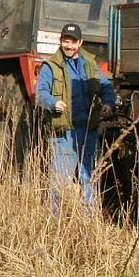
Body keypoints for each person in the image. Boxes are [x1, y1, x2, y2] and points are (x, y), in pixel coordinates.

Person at [36, 23, 115, 212]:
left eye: (72, 41)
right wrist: (53, 103)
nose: (68, 45)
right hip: (65, 133)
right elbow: (40, 93)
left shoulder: (90, 64)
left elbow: (106, 86)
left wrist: (108, 103)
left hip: (88, 130)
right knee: (60, 179)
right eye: (65, 40)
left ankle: (88, 219)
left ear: (80, 43)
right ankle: (55, 221)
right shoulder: (51, 66)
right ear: (60, 41)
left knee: (89, 178)